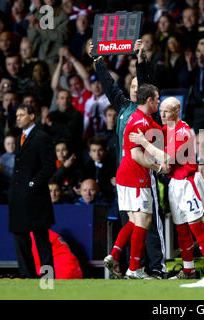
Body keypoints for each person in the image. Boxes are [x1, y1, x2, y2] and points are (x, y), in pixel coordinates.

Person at [89, 40, 167, 280]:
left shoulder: (145, 112)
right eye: (132, 86)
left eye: (138, 86)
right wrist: (97, 61)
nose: (135, 89)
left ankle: (148, 267)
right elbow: (109, 85)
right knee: (139, 220)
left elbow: (146, 86)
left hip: (138, 173)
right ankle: (136, 266)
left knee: (142, 222)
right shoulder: (125, 109)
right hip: (132, 172)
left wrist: (140, 60)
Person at [129, 97, 204, 280]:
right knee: (181, 229)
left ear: (177, 112)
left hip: (188, 183)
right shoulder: (166, 129)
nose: (162, 115)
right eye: (160, 110)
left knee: (197, 228)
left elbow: (168, 159)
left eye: (166, 111)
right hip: (174, 183)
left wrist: (144, 142)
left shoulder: (183, 132)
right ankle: (188, 270)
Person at [103, 83, 166, 280]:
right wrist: (158, 168)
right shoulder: (140, 122)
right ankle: (134, 267)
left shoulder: (142, 118)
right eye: (157, 100)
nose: (158, 102)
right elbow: (137, 155)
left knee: (134, 221)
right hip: (135, 175)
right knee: (144, 219)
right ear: (149, 100)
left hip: (126, 175)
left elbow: (162, 132)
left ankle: (115, 255)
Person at [8, 103, 56, 279]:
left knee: (41, 240)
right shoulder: (20, 137)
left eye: (21, 115)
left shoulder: (41, 137)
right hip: (19, 199)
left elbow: (50, 166)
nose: (18, 118)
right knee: (20, 238)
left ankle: (48, 278)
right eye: (17, 115)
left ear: (32, 116)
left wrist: (32, 184)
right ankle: (27, 275)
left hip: (35, 199)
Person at [83, 135, 116, 203]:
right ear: (90, 153)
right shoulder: (86, 167)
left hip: (108, 199)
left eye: (100, 150)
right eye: (94, 151)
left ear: (105, 151)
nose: (97, 154)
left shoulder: (113, 166)